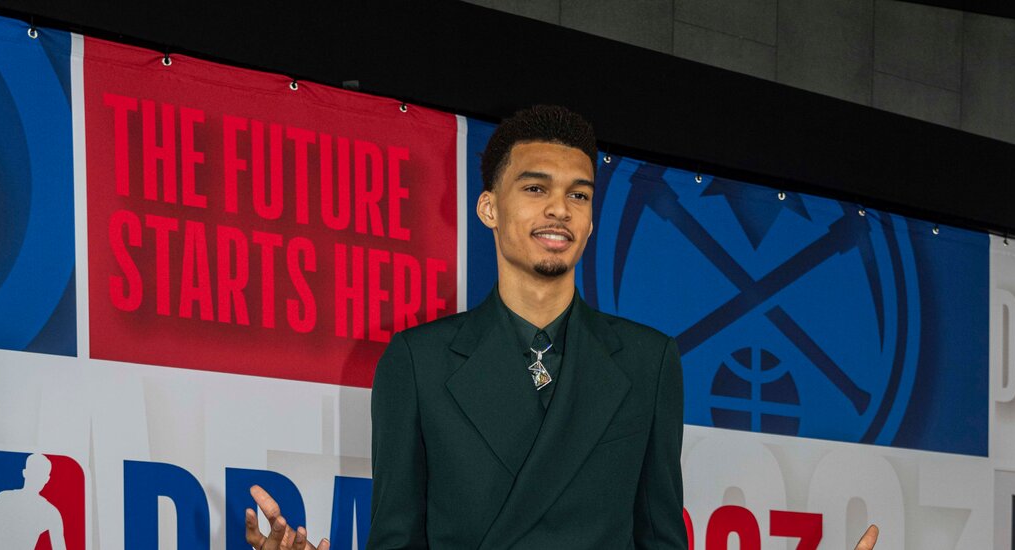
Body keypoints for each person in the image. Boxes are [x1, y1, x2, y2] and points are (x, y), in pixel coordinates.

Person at [245, 106, 880, 550]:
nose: (560, 208)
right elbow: (397, 539)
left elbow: (659, 540)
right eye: (535, 187)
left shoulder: (647, 362)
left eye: (579, 194)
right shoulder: (418, 362)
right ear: (489, 208)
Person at [0, 453, 67, 550]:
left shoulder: (50, 512)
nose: (37, 478)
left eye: (40, 475)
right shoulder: (3, 498)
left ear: (47, 479)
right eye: (34, 473)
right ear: (25, 472)